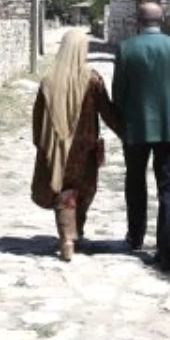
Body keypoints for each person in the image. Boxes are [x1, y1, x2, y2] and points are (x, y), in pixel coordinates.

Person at [112, 1, 170, 272]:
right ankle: (166, 252)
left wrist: (122, 120)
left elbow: (119, 93)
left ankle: (135, 236)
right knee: (169, 188)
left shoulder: (126, 49)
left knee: (135, 181)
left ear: (138, 21)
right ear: (163, 20)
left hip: (136, 128)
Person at [31, 28, 122, 261]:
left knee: (63, 191)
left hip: (58, 146)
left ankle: (68, 236)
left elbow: (38, 116)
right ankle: (72, 236)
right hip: (85, 148)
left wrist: (41, 144)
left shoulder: (48, 81)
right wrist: (126, 131)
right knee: (83, 190)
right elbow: (107, 111)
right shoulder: (92, 79)